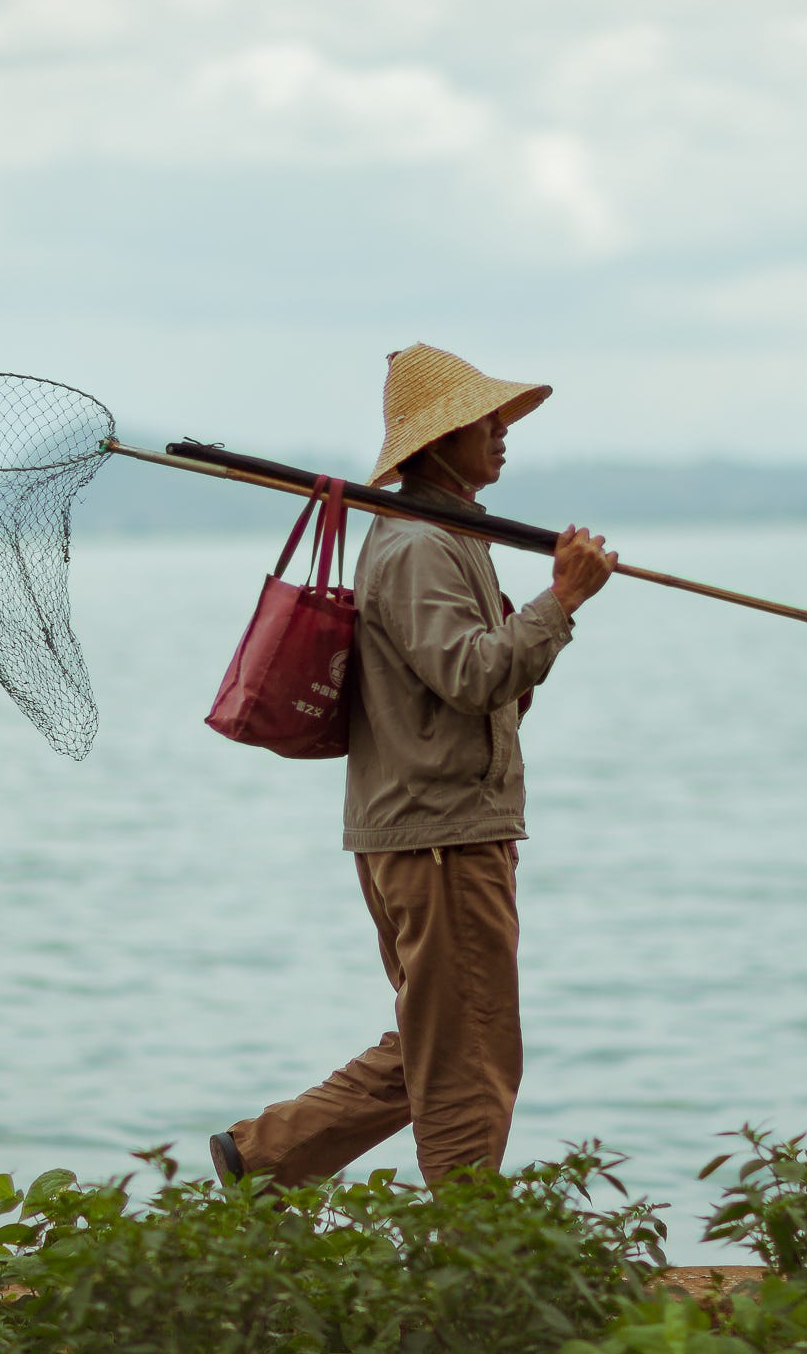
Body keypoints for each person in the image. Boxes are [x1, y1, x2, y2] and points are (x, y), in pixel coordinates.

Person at [213, 343, 616, 1187]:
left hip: (439, 827)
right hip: (438, 836)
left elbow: (475, 688)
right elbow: (473, 675)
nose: (504, 432)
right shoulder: (422, 547)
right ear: (440, 443)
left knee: (448, 1036)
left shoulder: (448, 537)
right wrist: (562, 602)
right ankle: (471, 1262)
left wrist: (536, 624)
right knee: (469, 1055)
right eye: (486, 420)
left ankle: (264, 1157)